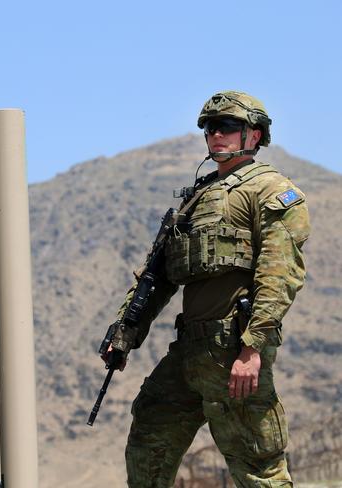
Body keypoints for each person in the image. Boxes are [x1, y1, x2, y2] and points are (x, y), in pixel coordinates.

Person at [107, 91, 310, 487]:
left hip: (233, 349)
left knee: (257, 463)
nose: (216, 134)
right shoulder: (196, 197)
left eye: (227, 126)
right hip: (190, 350)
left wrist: (252, 348)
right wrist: (124, 335)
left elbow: (280, 274)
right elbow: (157, 275)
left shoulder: (270, 191)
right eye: (209, 127)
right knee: (150, 435)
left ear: (254, 134)